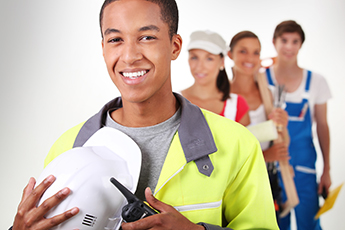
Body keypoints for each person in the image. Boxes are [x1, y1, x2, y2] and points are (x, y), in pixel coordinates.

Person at [11, 0, 279, 229]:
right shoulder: (67, 147)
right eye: (116, 40)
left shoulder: (236, 145)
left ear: (174, 46)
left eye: (146, 37)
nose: (129, 56)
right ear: (103, 48)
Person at [265, 20, 332, 229]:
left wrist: (327, 169)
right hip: (272, 167)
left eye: (295, 41)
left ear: (301, 45)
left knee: (309, 224)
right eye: (284, 40)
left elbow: (322, 125)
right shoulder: (261, 79)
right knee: (276, 224)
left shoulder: (316, 81)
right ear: (274, 42)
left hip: (305, 168)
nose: (289, 46)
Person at [228, 30, 290, 219]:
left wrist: (283, 125)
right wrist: (264, 156)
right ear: (230, 55)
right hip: (236, 183)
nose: (250, 58)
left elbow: (283, 141)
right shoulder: (223, 97)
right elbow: (224, 151)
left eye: (256, 52)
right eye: (243, 51)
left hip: (268, 180)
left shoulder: (269, 94)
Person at [181, 30, 250, 126]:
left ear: (222, 62)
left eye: (209, 59)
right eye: (194, 57)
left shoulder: (237, 105)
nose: (199, 67)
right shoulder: (173, 102)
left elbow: (248, 140)